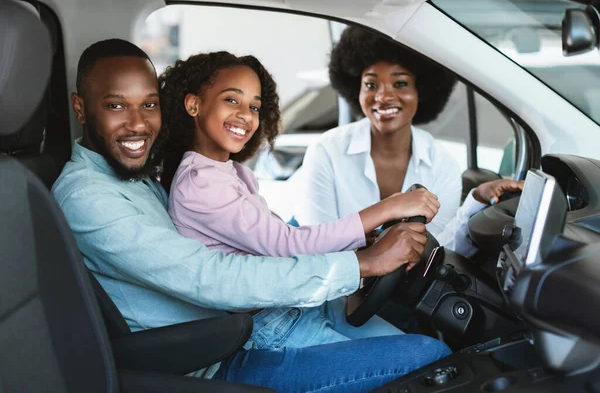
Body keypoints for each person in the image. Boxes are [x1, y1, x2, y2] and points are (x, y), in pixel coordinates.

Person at [52, 38, 450, 392]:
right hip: (215, 359)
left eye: (149, 104)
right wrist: (361, 264)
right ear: (80, 108)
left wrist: (358, 252)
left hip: (237, 331)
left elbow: (261, 238)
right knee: (429, 357)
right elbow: (211, 276)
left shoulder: (134, 177)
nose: (138, 122)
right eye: (116, 105)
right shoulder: (88, 197)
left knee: (422, 339)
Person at [295, 26, 523, 258]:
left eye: (400, 84)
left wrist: (477, 199)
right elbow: (316, 246)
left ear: (421, 91)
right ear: (356, 89)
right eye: (371, 85)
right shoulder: (327, 151)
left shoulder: (441, 163)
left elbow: (441, 250)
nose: (383, 97)